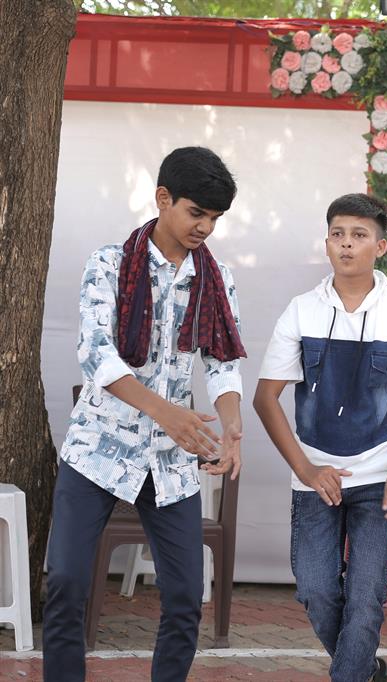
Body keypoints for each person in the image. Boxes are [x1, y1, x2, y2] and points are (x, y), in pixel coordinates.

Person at [43, 147, 245, 682]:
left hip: (170, 462)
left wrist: (231, 426)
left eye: (215, 218)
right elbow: (96, 355)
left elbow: (222, 361)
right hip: (97, 450)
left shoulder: (216, 278)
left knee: (184, 597)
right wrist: (167, 413)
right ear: (163, 198)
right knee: (65, 582)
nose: (205, 227)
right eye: (196, 213)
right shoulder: (108, 264)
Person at [253, 193, 387, 682]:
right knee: (316, 590)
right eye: (337, 234)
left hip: (381, 476)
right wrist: (306, 469)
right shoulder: (301, 311)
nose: (346, 244)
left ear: (380, 247)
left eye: (359, 235)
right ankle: (366, 670)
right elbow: (265, 398)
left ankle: (351, 673)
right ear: (326, 243)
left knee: (365, 599)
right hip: (316, 477)